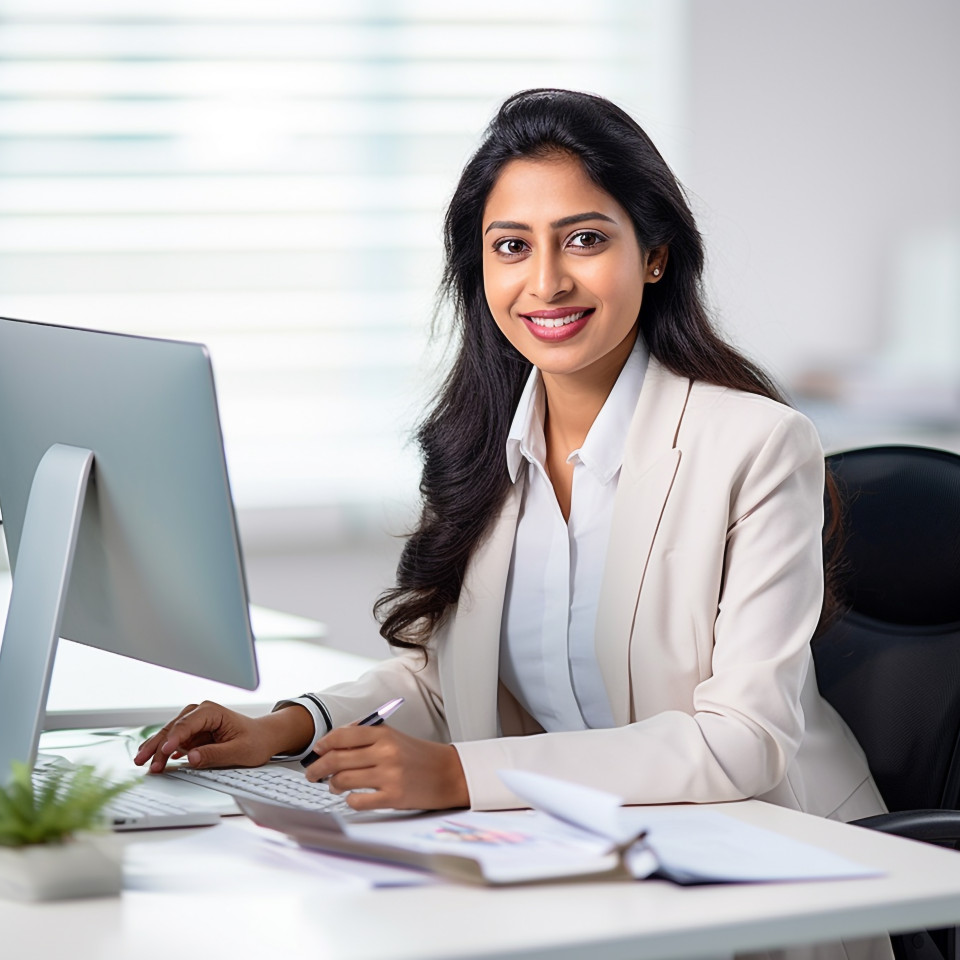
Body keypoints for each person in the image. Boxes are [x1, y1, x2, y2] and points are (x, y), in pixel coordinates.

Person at [136, 89, 885, 828]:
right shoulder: (479, 443)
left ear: (654, 256)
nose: (546, 281)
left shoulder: (755, 446)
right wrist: (282, 727)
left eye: (585, 239)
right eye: (512, 246)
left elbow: (743, 742)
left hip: (777, 848)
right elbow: (444, 684)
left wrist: (460, 774)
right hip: (581, 843)